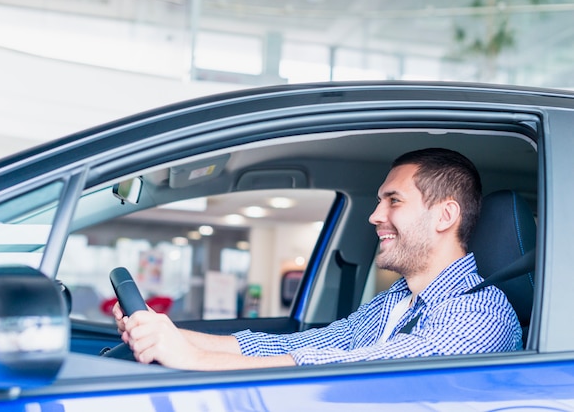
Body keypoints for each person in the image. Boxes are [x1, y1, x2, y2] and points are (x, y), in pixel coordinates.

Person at [113, 148, 522, 370]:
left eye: (393, 201)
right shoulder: (392, 302)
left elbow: (369, 367)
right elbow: (298, 345)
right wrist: (167, 333)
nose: (375, 215)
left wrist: (194, 360)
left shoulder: (482, 313)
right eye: (379, 201)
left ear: (445, 216)